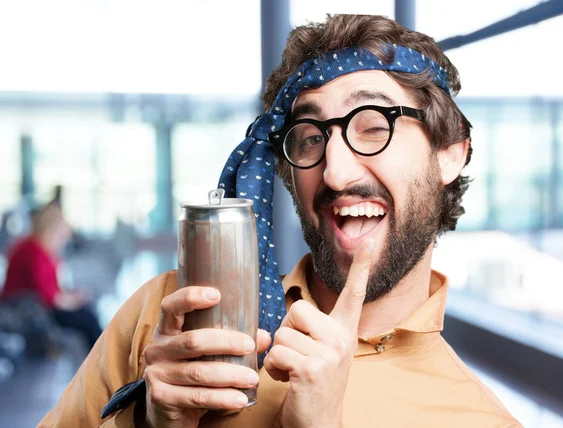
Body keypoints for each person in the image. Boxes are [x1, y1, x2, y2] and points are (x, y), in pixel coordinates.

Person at [40, 14, 522, 427]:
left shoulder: (476, 418)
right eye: (310, 138)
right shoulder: (165, 318)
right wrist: (146, 422)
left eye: (374, 125)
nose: (334, 171)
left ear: (449, 155)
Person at [2, 202, 102, 350]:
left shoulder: (42, 249)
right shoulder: (33, 250)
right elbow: (47, 296)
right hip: (27, 310)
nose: (64, 240)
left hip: (38, 307)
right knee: (87, 319)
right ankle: (105, 363)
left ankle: (104, 361)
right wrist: (73, 300)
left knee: (88, 312)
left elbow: (52, 289)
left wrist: (73, 297)